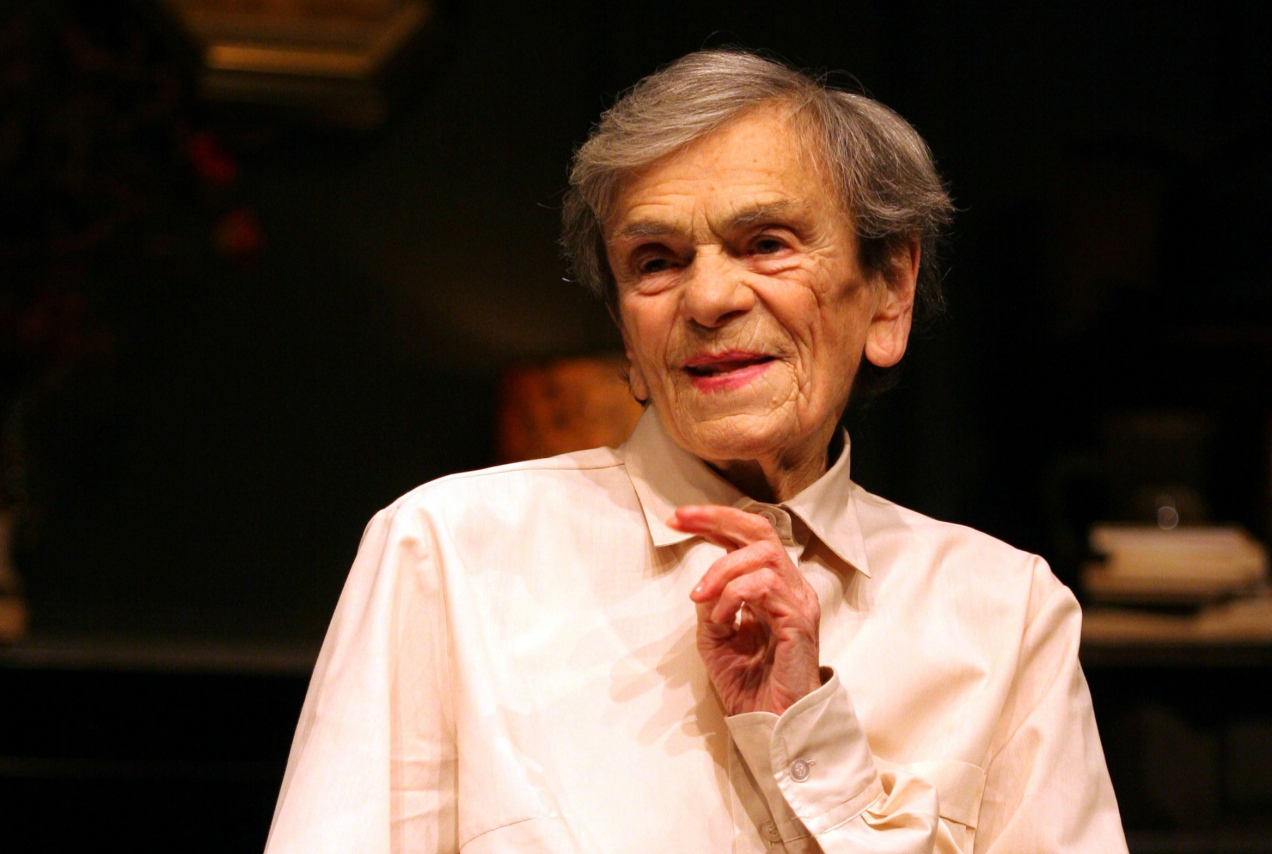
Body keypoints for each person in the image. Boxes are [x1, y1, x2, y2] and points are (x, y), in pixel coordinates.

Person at [264, 49, 1127, 853]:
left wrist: (811, 746)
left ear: (889, 291)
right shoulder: (448, 554)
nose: (709, 298)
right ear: (625, 331)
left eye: (767, 244)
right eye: (656, 261)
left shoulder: (1005, 615)